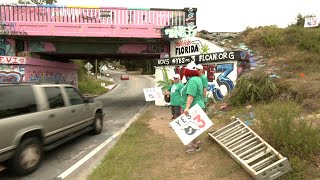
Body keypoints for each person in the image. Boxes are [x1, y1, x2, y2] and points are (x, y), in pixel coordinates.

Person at [181, 62, 205, 153]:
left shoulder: (192, 80)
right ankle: (195, 145)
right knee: (193, 127)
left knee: (191, 127)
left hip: (193, 107)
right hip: (197, 106)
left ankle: (193, 147)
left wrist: (186, 108)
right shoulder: (197, 79)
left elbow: (191, 95)